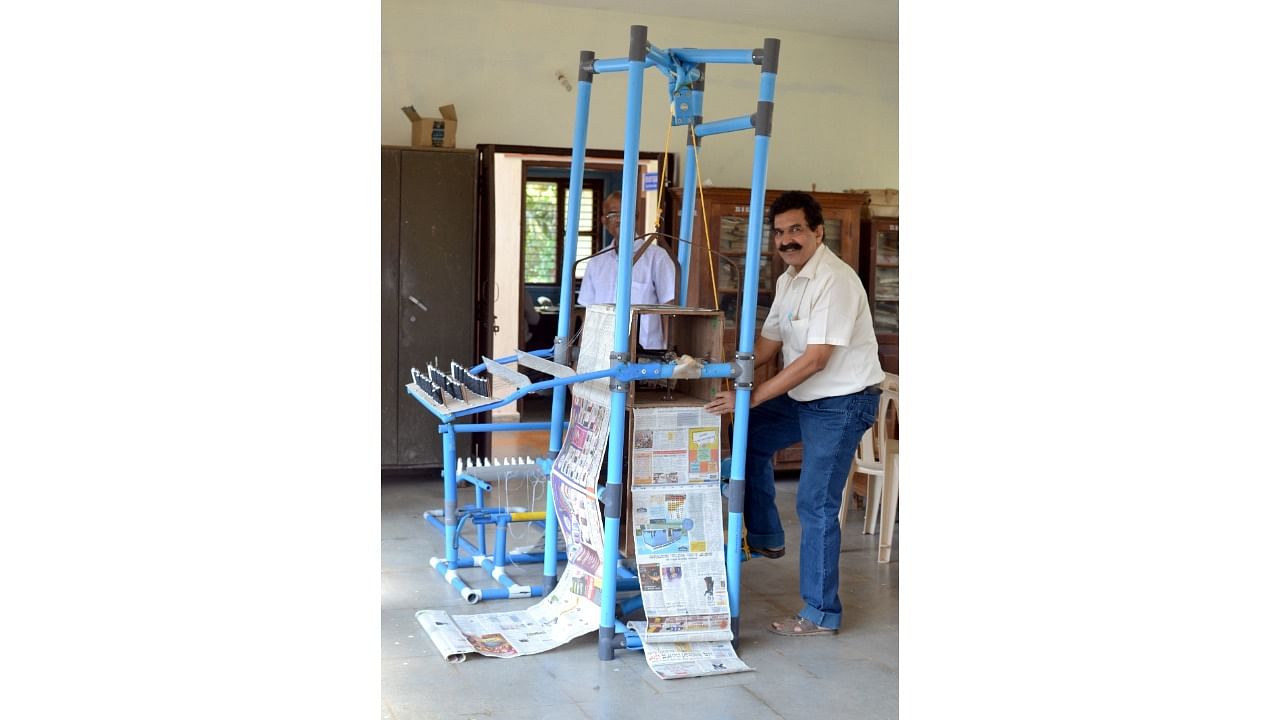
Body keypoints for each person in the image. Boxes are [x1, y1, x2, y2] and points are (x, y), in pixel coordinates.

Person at [704, 190, 884, 637]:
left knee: (815, 503)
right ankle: (767, 535)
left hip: (842, 402)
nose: (786, 240)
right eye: (780, 232)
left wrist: (752, 395)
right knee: (748, 441)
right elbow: (770, 344)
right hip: (806, 395)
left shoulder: (835, 280)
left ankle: (821, 613)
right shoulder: (788, 280)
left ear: (818, 232)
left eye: (796, 230)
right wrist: (725, 369)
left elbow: (815, 358)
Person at [577, 191, 677, 350]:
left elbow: (670, 309)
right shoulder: (596, 262)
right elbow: (588, 315)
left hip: (646, 353)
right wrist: (581, 356)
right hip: (602, 351)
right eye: (612, 214)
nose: (619, 219)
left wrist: (667, 353)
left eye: (625, 213)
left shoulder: (656, 257)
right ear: (604, 221)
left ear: (636, 217)